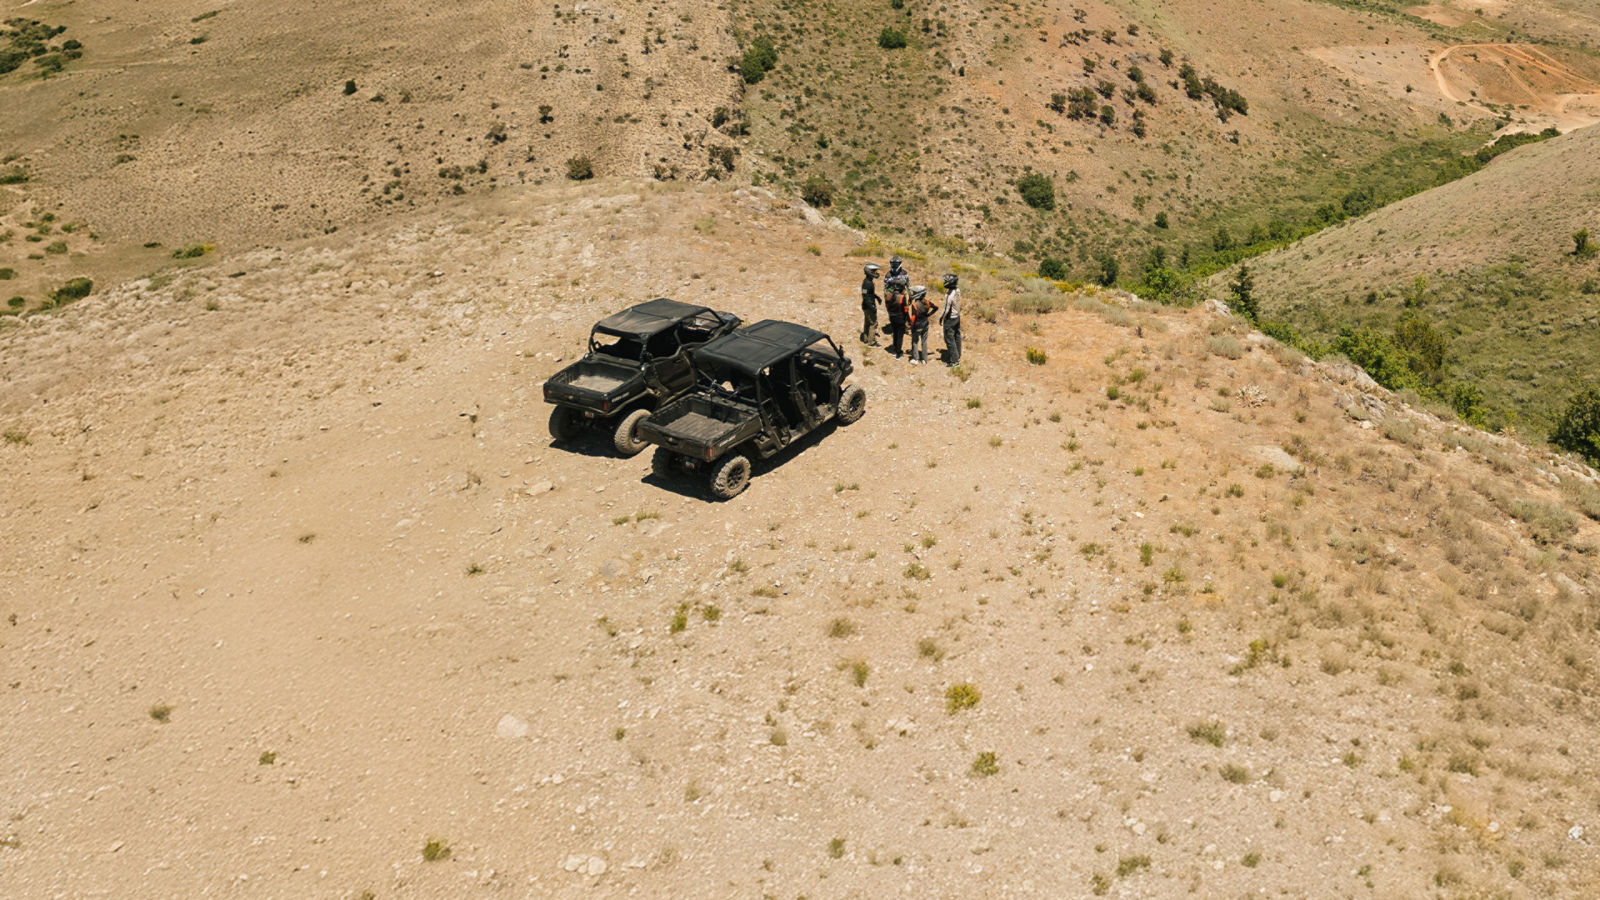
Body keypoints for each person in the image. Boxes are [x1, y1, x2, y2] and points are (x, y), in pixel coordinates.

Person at [884, 255, 909, 356]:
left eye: (896, 264)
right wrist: (887, 300)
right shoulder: (888, 274)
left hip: (901, 296)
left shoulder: (904, 273)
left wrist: (910, 296)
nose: (894, 266)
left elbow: (908, 285)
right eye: (893, 264)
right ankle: (898, 348)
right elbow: (885, 288)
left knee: (903, 311)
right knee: (900, 318)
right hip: (892, 299)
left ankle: (904, 325)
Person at [906, 285, 938, 364]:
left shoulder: (915, 304)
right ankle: (924, 359)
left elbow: (913, 317)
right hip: (925, 323)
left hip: (917, 325)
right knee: (924, 341)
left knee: (915, 341)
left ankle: (916, 359)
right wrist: (929, 315)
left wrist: (910, 326)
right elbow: (936, 307)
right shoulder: (927, 302)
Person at [939, 273, 962, 366]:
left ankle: (954, 361)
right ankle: (957, 354)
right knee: (957, 336)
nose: (944, 282)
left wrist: (941, 318)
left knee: (949, 338)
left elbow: (946, 309)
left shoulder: (949, 296)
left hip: (950, 318)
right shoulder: (957, 290)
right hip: (957, 316)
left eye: (946, 281)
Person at [859, 264, 881, 345]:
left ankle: (866, 338)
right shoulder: (867, 283)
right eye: (874, 271)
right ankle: (872, 342)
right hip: (868, 306)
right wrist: (872, 307)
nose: (875, 273)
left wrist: (877, 297)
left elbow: (869, 294)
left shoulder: (868, 282)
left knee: (867, 322)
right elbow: (865, 296)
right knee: (873, 323)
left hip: (866, 306)